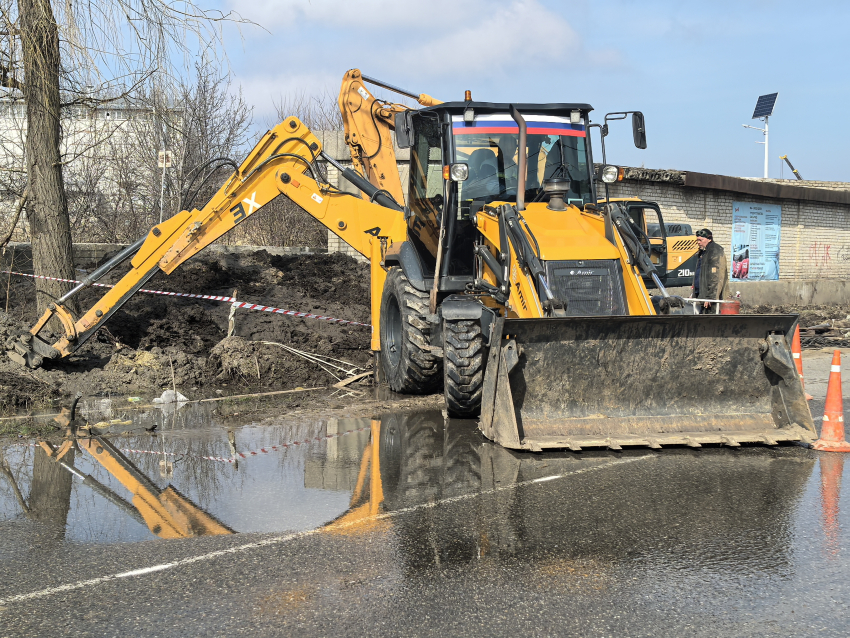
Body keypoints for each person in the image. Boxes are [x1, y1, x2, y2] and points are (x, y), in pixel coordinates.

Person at [693, 228, 728, 313]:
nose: (698, 242)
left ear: (709, 239)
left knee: (710, 320)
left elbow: (716, 277)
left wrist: (710, 298)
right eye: (697, 240)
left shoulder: (715, 251)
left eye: (701, 240)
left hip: (710, 299)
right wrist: (693, 292)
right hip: (701, 295)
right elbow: (699, 273)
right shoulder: (703, 252)